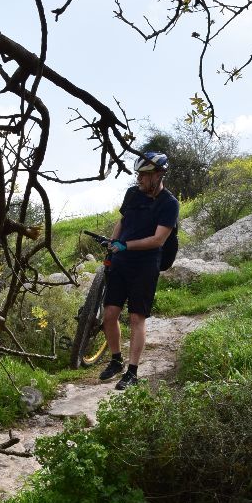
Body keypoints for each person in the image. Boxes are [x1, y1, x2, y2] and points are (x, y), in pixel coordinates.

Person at [97, 151, 179, 390]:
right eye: (138, 175)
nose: (139, 179)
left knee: (136, 318)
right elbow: (122, 222)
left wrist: (126, 245)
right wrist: (114, 243)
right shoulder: (133, 194)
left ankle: (132, 372)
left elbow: (158, 240)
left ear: (158, 175)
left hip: (145, 265)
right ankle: (116, 360)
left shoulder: (169, 204)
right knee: (110, 315)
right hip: (121, 261)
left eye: (144, 175)